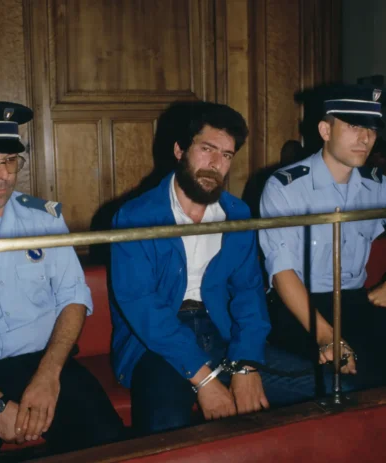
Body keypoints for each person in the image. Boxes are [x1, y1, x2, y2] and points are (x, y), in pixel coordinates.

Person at [110, 102, 354, 437]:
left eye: (226, 155)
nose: (216, 164)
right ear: (180, 151)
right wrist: (205, 380)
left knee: (340, 391)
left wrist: (246, 364)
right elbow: (142, 307)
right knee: (166, 434)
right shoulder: (135, 216)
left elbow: (248, 294)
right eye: (206, 149)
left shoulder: (237, 214)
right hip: (157, 346)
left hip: (222, 332)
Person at [0, 102, 124, 462]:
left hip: (45, 361)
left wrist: (49, 375)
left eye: (10, 161)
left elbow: (73, 297)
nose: (3, 175)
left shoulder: (44, 220)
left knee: (110, 443)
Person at [259, 84, 386, 391]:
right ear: (325, 130)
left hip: (354, 302)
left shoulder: (376, 185)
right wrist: (327, 336)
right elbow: (282, 272)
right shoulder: (285, 187)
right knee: (355, 381)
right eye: (354, 126)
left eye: (372, 129)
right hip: (299, 309)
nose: (365, 138)